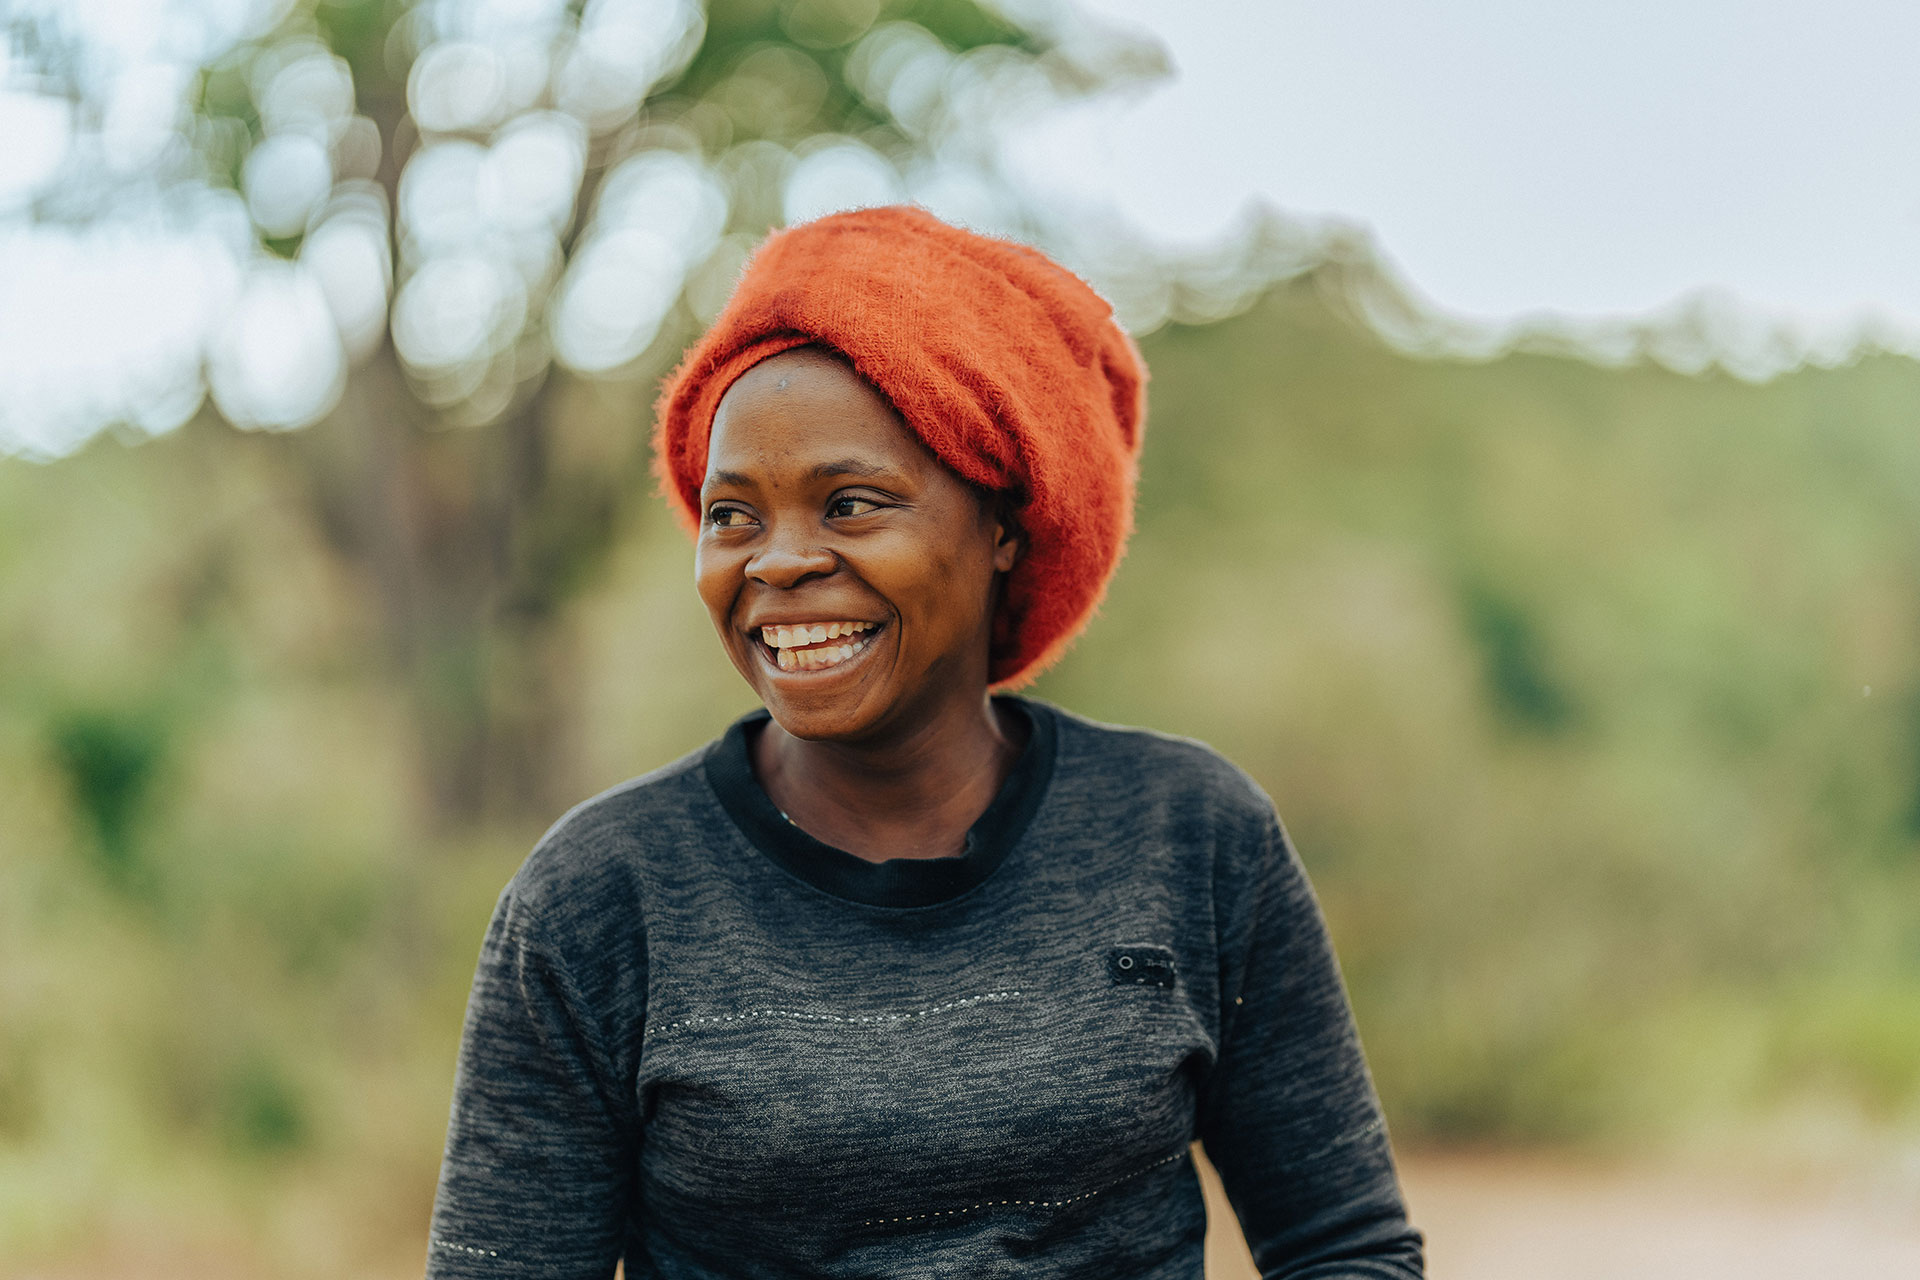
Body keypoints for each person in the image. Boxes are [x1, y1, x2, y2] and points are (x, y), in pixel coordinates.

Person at [425, 206, 1424, 1279]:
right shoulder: (600, 898)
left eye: (851, 504)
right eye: (733, 514)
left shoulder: (1189, 835)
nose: (778, 562)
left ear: (1002, 523)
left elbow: (1345, 1246)